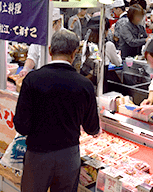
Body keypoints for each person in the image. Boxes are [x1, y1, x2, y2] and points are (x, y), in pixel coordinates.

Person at [14, 29, 100, 192]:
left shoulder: (32, 80)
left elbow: (21, 126)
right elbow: (92, 128)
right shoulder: (84, 85)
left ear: (50, 50)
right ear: (74, 54)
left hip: (37, 155)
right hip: (69, 157)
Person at [20, 9, 62, 75]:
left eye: (50, 25)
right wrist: (26, 69)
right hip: (41, 75)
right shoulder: (40, 35)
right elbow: (32, 57)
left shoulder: (65, 37)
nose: (46, 28)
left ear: (59, 22)